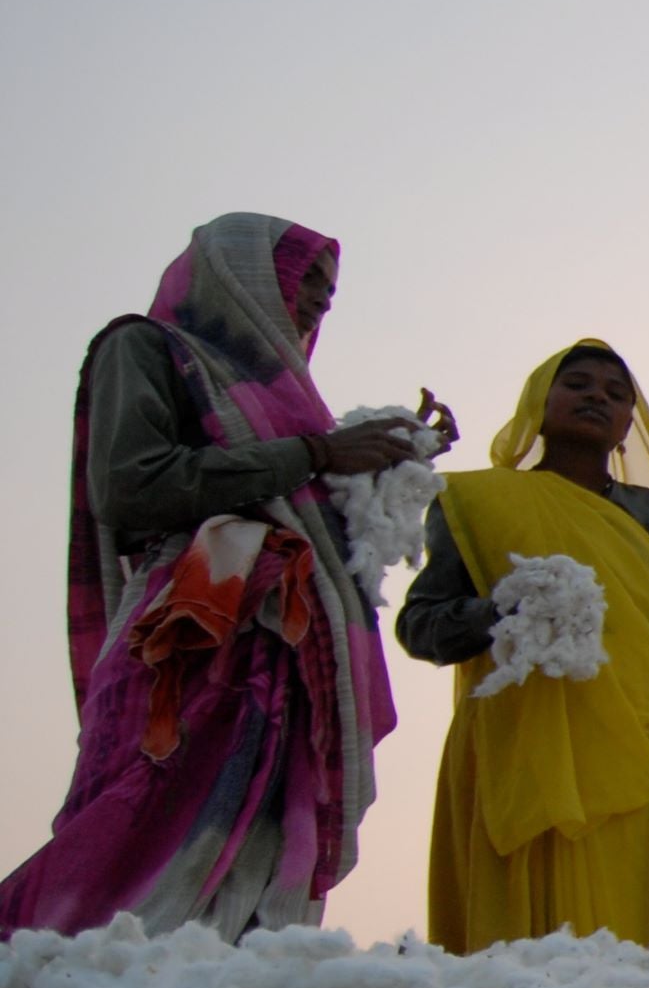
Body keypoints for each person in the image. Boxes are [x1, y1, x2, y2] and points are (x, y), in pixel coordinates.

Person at [1, 214, 441, 938]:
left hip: (285, 638)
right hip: (183, 628)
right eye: (305, 279)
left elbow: (308, 505)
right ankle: (59, 976)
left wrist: (398, 452)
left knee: (255, 836)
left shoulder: (286, 412)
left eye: (329, 293)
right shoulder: (144, 348)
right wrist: (318, 454)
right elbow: (132, 484)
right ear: (235, 273)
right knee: (135, 812)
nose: (319, 302)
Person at [396, 340, 649, 952]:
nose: (596, 398)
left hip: (645, 750)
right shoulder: (476, 501)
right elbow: (421, 627)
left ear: (628, 428)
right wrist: (508, 611)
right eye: (578, 384)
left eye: (616, 395)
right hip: (523, 749)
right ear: (540, 402)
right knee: (526, 957)